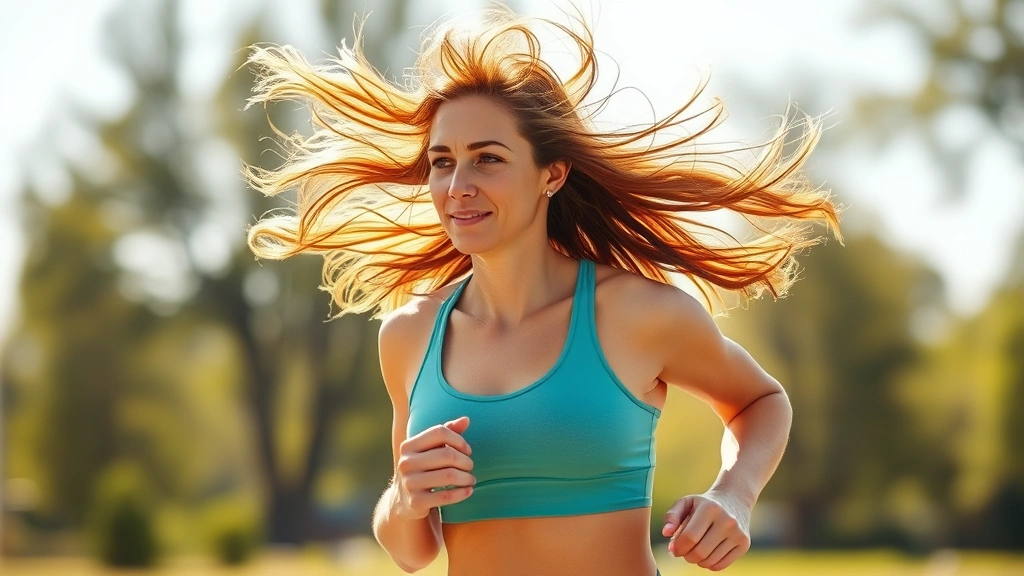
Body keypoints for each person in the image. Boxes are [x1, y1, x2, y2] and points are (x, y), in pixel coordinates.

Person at [244, 4, 840, 575]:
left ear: (551, 174)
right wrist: (403, 498)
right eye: (442, 161)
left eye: (488, 159)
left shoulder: (636, 313)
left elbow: (761, 403)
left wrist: (733, 495)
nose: (458, 186)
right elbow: (413, 551)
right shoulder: (409, 334)